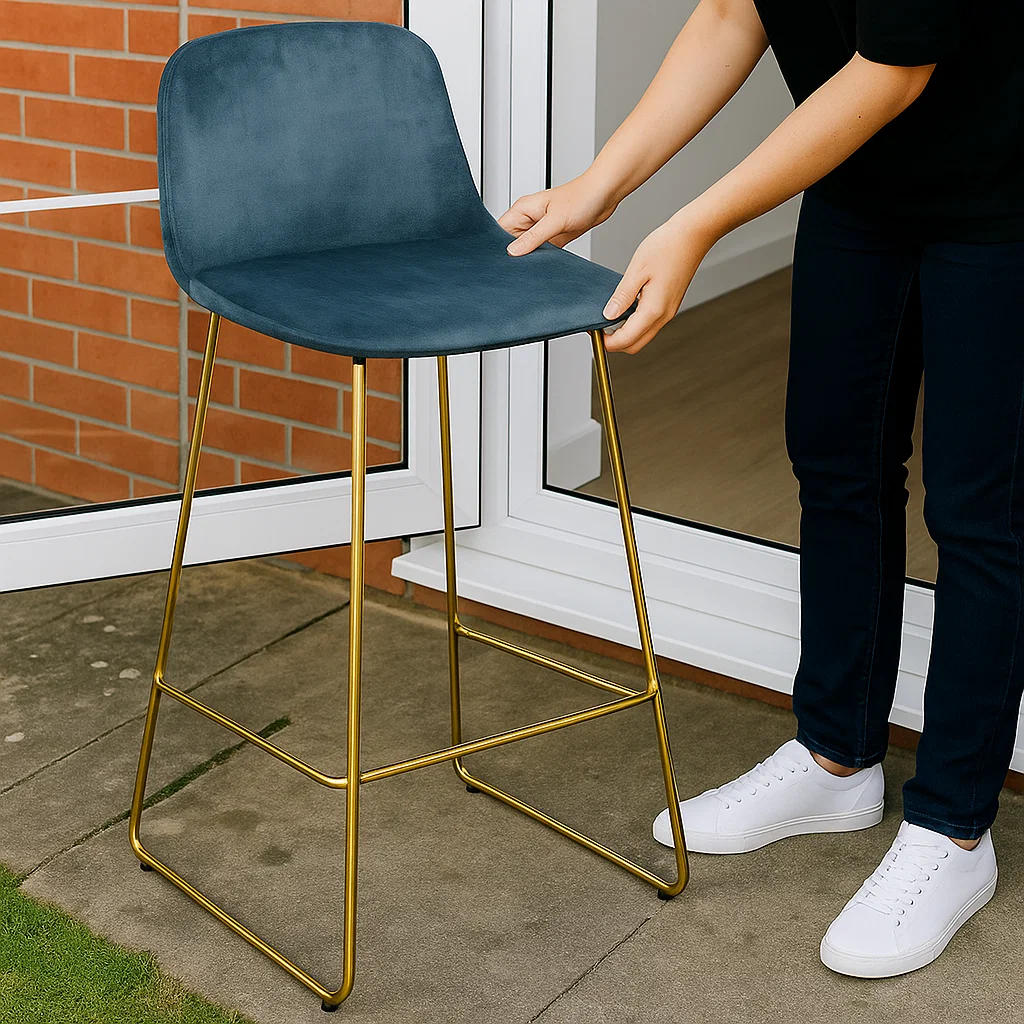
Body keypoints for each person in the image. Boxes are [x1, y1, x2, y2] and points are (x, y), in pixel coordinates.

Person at [499, 0, 1023, 979]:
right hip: (858, 190)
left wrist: (694, 222)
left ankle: (953, 829)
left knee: (980, 514)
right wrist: (599, 186)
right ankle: (835, 758)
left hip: (1001, 198)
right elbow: (732, 10)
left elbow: (892, 68)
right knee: (835, 464)